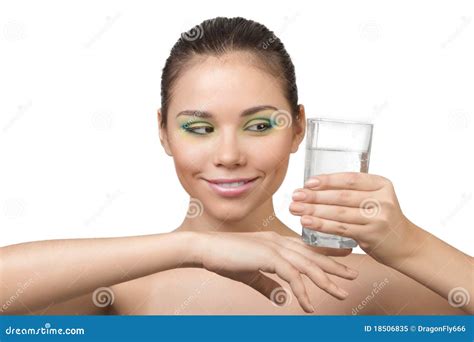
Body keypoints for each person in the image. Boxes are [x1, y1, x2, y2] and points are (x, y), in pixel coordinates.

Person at [1, 17, 471, 316]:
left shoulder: (358, 285)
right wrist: (191, 247)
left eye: (260, 125)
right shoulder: (119, 290)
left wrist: (409, 245)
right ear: (163, 132)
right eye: (199, 128)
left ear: (298, 127)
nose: (228, 155)